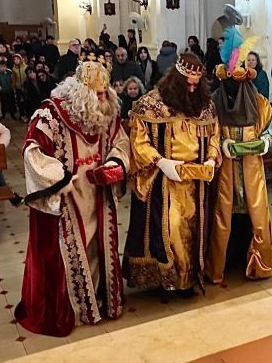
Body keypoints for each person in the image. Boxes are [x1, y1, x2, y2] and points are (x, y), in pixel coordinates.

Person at [15, 52, 130, 337]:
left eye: (106, 94)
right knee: (67, 250)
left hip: (97, 194)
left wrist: (115, 165)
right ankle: (73, 308)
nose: (103, 100)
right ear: (80, 92)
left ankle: (100, 302)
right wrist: (61, 178)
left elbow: (121, 143)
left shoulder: (107, 113)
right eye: (98, 95)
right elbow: (33, 152)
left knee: (98, 245)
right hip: (65, 196)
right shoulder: (50, 113)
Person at [123, 53, 221, 296]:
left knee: (194, 228)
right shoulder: (151, 105)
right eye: (187, 83)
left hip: (195, 180)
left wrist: (211, 158)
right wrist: (161, 162)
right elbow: (139, 142)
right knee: (171, 227)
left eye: (196, 84)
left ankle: (188, 278)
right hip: (165, 179)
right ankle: (170, 278)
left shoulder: (205, 105)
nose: (191, 88)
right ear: (176, 79)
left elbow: (215, 137)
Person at [205, 26, 272, 283]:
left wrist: (265, 142)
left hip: (252, 172)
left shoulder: (259, 103)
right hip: (224, 173)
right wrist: (220, 145)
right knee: (223, 215)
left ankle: (256, 261)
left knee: (253, 214)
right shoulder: (214, 103)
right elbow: (205, 136)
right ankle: (221, 263)